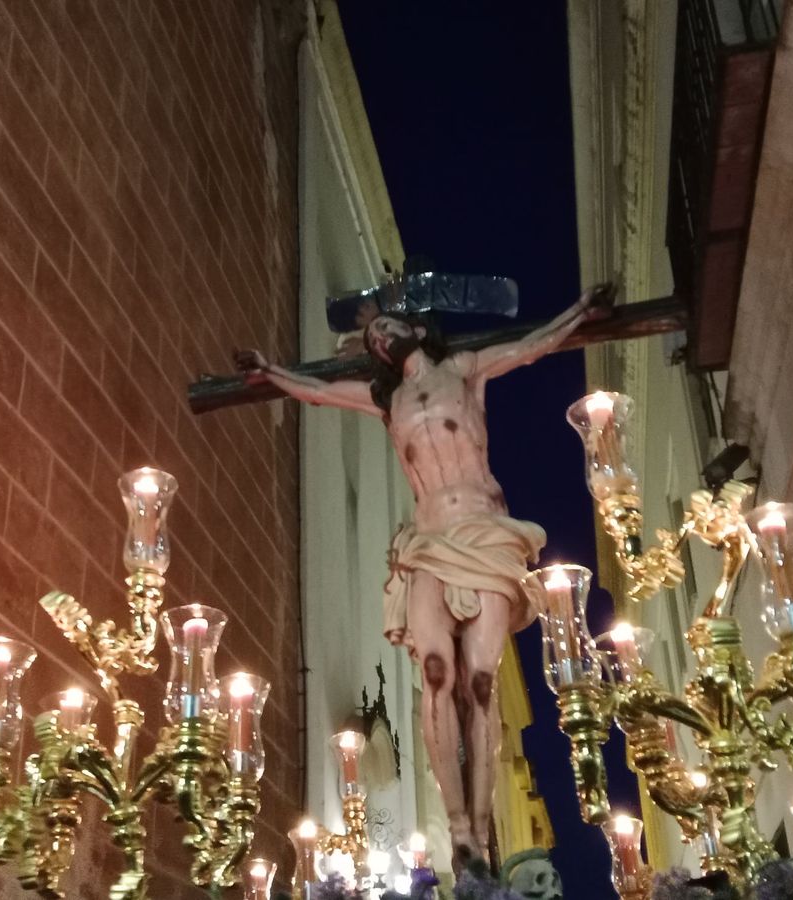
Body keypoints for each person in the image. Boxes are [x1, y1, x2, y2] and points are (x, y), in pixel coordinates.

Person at [234, 285, 610, 863]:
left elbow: (531, 346)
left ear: (415, 328)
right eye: (372, 338)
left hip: (484, 532)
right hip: (429, 540)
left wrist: (579, 311)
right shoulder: (387, 401)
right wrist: (269, 372)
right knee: (437, 672)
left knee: (479, 683)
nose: (380, 337)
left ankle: (481, 830)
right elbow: (317, 392)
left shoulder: (464, 369)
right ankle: (457, 827)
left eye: (386, 326)